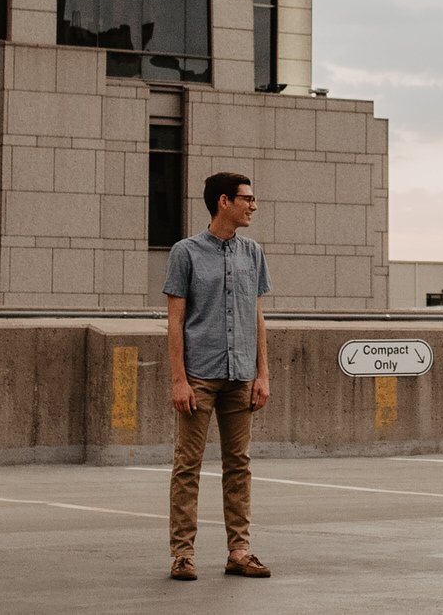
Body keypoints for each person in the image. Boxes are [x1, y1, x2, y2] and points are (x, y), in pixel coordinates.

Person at [163, 170, 273, 581]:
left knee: (238, 465)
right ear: (223, 201)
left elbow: (257, 317)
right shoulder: (185, 253)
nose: (254, 206)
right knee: (187, 466)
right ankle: (182, 554)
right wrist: (178, 379)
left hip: (242, 374)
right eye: (247, 198)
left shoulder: (253, 253)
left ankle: (239, 551)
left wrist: (263, 374)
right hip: (200, 376)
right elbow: (175, 322)